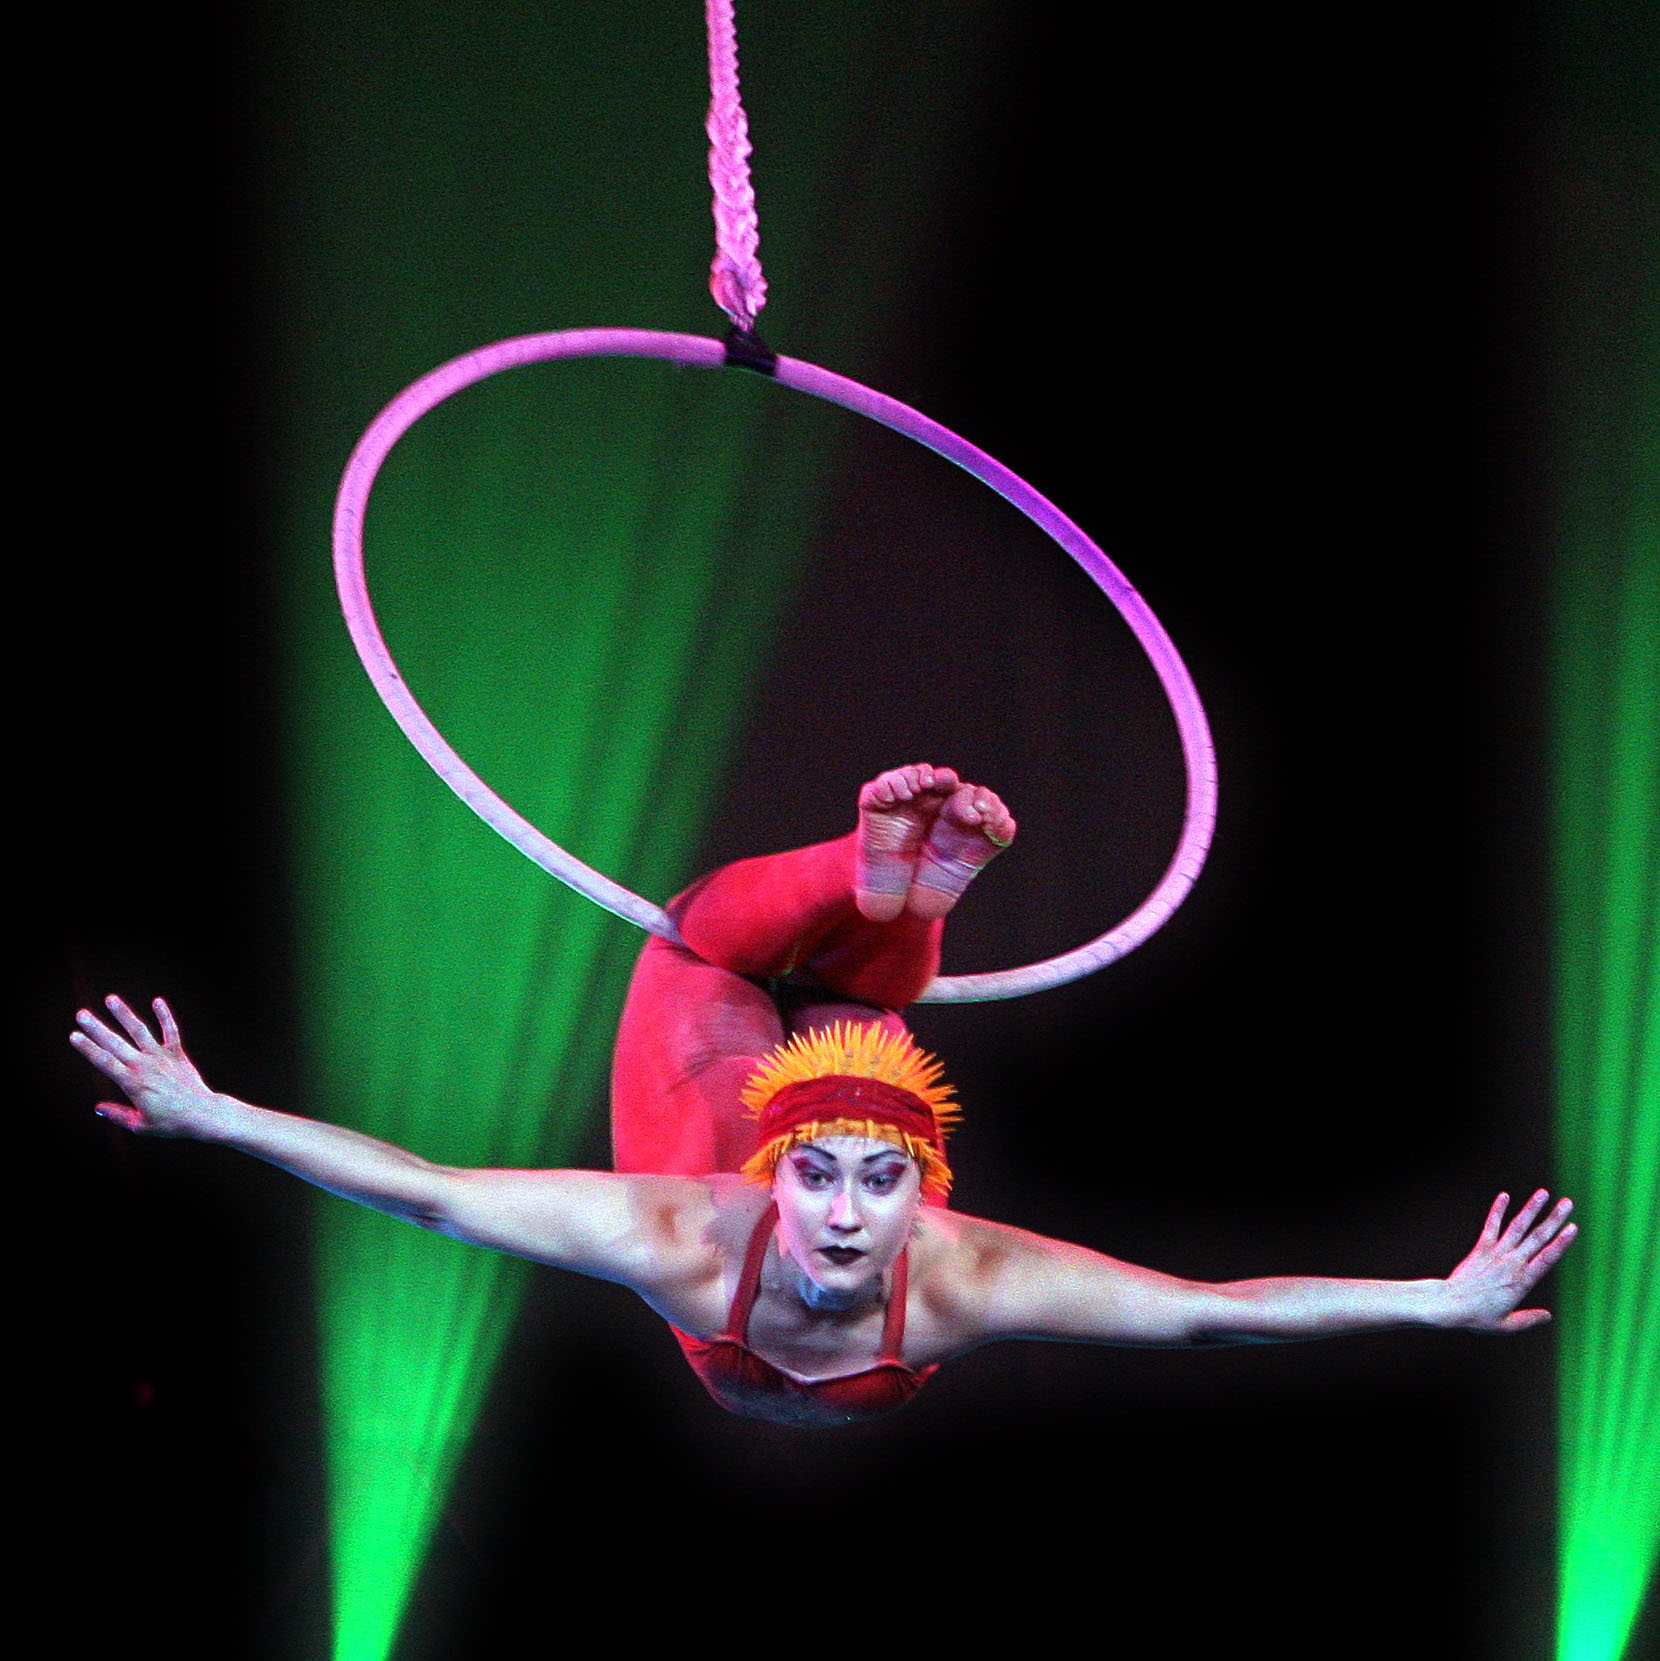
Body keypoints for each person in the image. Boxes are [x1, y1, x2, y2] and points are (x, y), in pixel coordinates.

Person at [71, 763, 1577, 1428]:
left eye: (881, 1180)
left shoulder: (963, 1272)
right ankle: (881, 893)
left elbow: (1210, 1309)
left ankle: (884, 898)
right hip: (725, 1100)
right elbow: (429, 1190)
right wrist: (220, 1116)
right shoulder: (686, 1221)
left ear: (929, 1195)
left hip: (746, 1111)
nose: (850, 1212)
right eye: (825, 1177)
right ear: (774, 1181)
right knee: (830, 1005)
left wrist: (1429, 1305)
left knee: (708, 946)